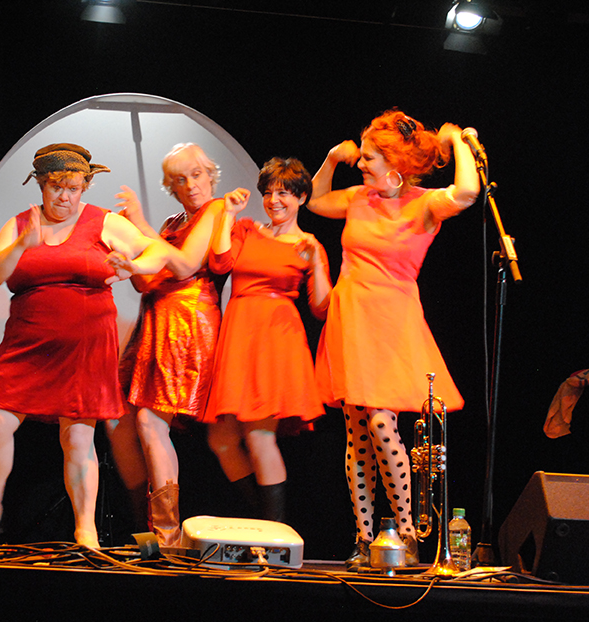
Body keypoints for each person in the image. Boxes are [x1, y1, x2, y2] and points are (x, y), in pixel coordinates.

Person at [0, 143, 171, 549]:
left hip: (85, 346)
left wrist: (134, 265)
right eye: (56, 187)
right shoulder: (21, 224)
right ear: (41, 185)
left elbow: (158, 252)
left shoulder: (103, 222)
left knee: (78, 439)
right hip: (27, 343)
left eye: (74, 188)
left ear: (84, 187)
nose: (65, 197)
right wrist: (19, 245)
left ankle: (86, 532)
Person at [307, 110, 480, 568]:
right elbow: (315, 201)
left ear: (395, 165)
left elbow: (467, 192)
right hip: (350, 316)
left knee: (382, 425)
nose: (361, 164)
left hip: (392, 320)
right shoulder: (358, 197)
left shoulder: (424, 204)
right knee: (358, 433)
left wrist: (457, 142)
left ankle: (406, 533)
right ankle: (366, 538)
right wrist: (331, 159)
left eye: (369, 158)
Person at [107, 143, 246, 547]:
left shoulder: (216, 209)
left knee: (153, 423)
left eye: (197, 175)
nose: (191, 185)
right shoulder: (172, 222)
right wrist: (132, 248)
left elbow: (184, 264)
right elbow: (146, 279)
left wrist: (139, 227)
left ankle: (165, 535)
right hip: (155, 323)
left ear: (210, 175)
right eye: (181, 179)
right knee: (119, 422)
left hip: (186, 323)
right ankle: (145, 524)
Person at [201, 157, 332, 523]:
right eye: (269, 193)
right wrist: (228, 215)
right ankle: (261, 518)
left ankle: (272, 533)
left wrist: (316, 262)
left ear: (301, 198)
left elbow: (321, 307)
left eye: (285, 193)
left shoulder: (308, 243)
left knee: (259, 438)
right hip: (239, 332)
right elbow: (219, 263)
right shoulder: (246, 229)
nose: (275, 200)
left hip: (275, 338)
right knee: (221, 440)